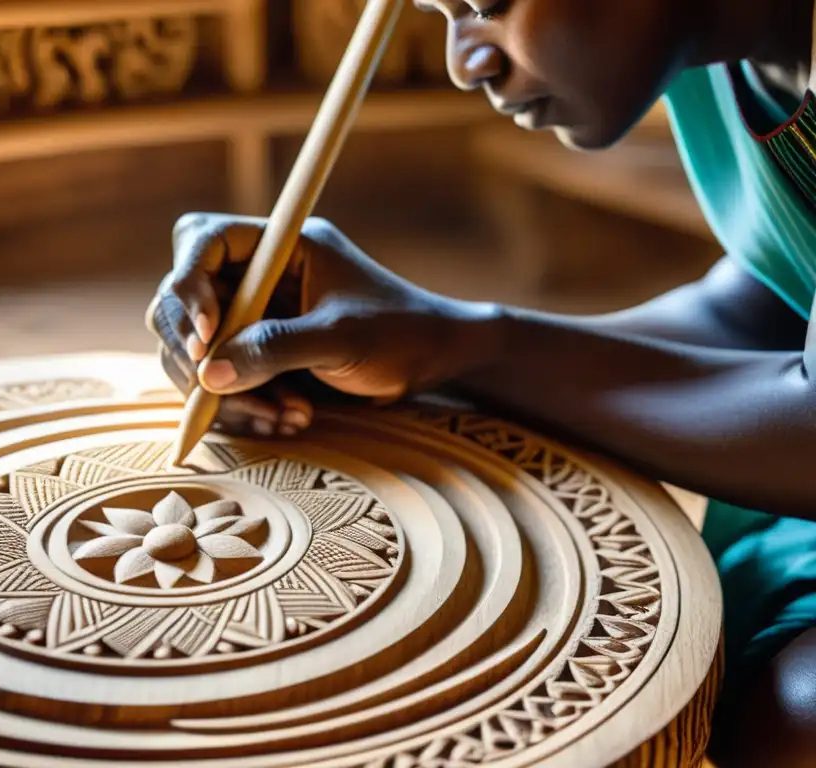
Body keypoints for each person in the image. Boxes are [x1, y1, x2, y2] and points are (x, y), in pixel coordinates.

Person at [147, 1, 816, 764]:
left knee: (796, 727)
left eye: (485, 6)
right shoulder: (717, 49)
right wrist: (418, 342)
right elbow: (768, 304)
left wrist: (465, 346)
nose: (468, 61)